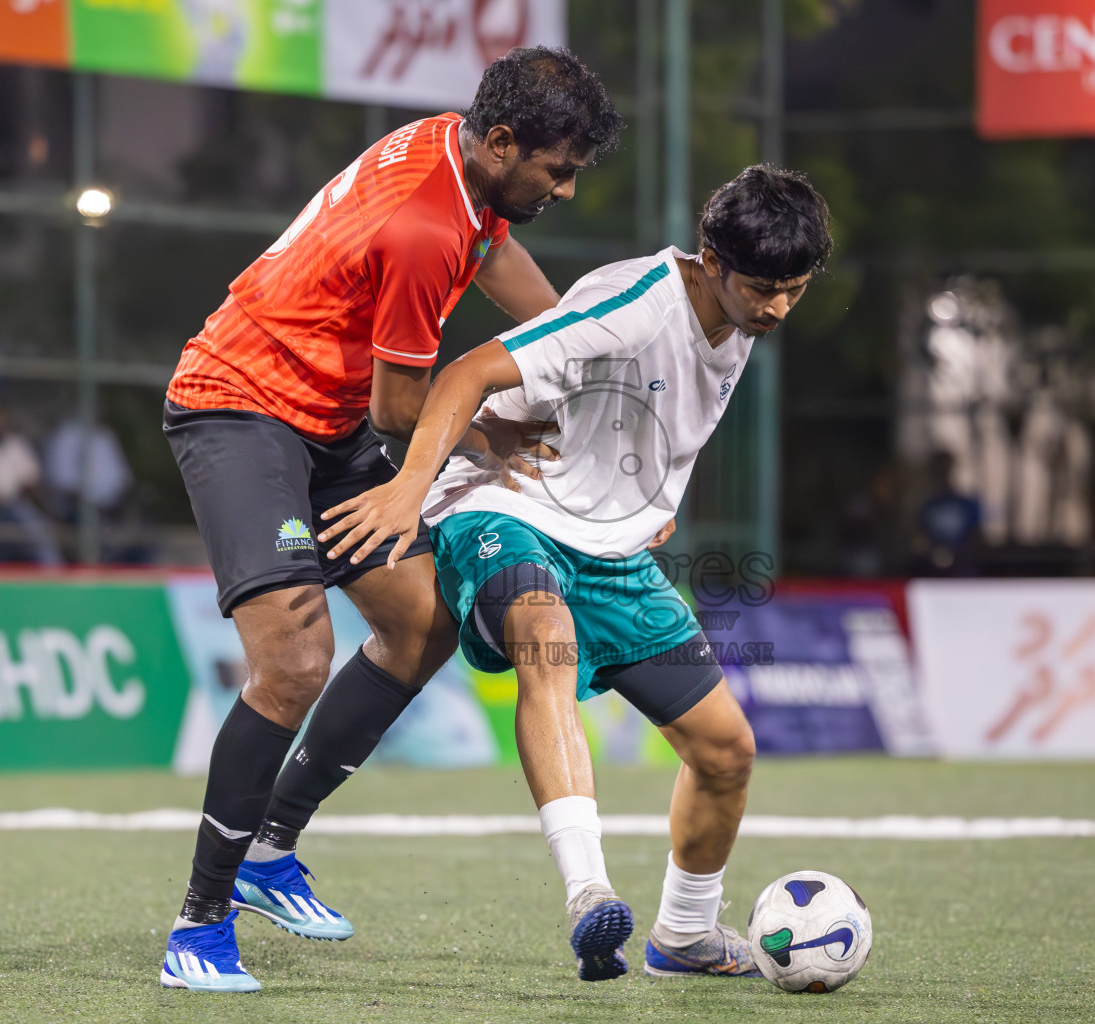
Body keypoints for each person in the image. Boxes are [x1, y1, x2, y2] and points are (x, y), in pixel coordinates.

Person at [156, 47, 621, 993]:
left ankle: (268, 849)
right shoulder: (422, 224)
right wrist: (499, 435)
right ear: (501, 140)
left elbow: (498, 257)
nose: (567, 191)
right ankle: (196, 925)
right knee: (292, 665)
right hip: (240, 407)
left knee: (421, 623)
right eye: (559, 169)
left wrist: (589, 346)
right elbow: (402, 413)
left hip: (322, 420)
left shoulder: (456, 156)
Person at [294, 166, 832, 982]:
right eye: (764, 288)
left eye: (795, 290)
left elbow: (655, 410)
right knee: (547, 639)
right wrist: (408, 488)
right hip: (507, 506)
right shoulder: (632, 304)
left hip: (610, 544)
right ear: (711, 258)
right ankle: (589, 894)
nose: (778, 308)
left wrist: (648, 494)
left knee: (726, 752)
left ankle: (685, 935)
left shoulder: (740, 314)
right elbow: (467, 374)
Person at [0, 404, 61, 566]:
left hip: (15, 510)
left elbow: (32, 482)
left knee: (31, 520)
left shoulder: (17, 444)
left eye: (2, 418)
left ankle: (54, 575)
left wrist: (26, 493)